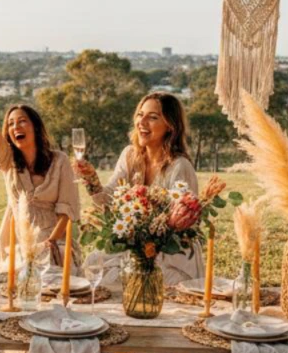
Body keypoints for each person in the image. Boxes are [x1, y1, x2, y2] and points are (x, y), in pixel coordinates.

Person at [78, 91, 203, 285]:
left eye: (153, 117)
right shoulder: (130, 155)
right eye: (140, 114)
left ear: (170, 126)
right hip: (135, 244)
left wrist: (150, 239)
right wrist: (91, 179)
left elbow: (185, 221)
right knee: (93, 263)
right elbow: (108, 199)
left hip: (170, 250)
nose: (142, 122)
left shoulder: (179, 166)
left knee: (132, 278)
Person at [0, 99, 80, 268]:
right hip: (20, 241)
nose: (16, 127)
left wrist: (51, 244)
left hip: (56, 241)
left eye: (22, 121)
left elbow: (67, 210)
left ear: (35, 127)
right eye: (11, 124)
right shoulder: (8, 161)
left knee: (53, 280)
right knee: (17, 281)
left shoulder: (60, 160)